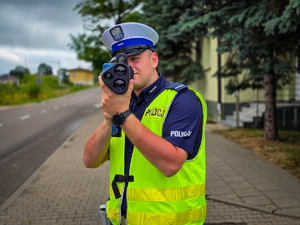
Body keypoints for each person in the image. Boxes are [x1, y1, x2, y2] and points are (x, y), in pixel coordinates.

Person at [84, 22, 207, 225]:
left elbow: (171, 164)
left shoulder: (182, 100)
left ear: (154, 59)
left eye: (135, 59)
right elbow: (89, 160)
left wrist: (122, 114)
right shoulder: (125, 103)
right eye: (121, 63)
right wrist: (109, 119)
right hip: (124, 220)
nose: (129, 67)